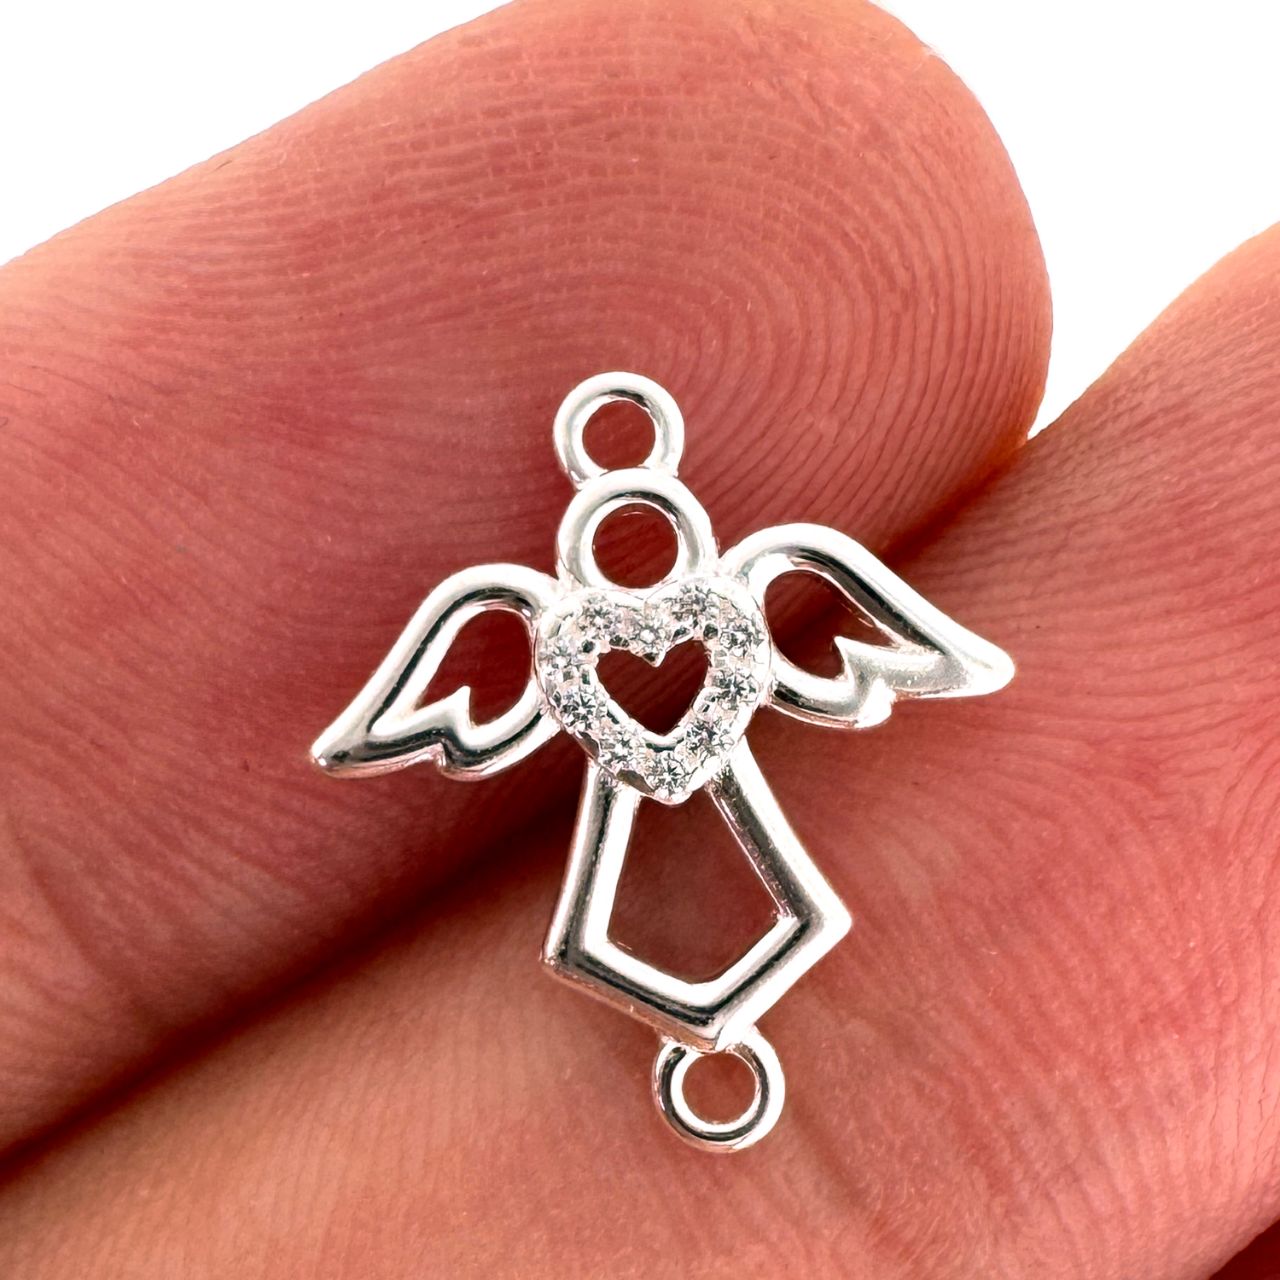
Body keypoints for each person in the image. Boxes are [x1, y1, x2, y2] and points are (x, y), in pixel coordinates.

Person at [0, 1, 1275, 1276]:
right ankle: (679, 996)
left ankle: (698, 998)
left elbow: (933, 661)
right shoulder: (525, 618)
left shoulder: (746, 589)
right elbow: (392, 733)